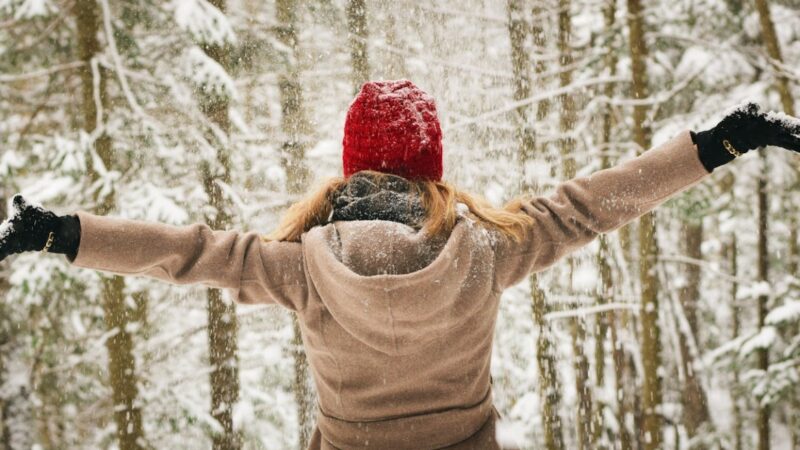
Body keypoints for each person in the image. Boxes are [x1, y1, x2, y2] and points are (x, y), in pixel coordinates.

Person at [1, 79, 799, 449]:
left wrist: (58, 232)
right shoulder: (488, 249)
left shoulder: (301, 266)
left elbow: (185, 255)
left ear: (350, 170)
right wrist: (719, 143)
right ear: (431, 169)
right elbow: (592, 204)